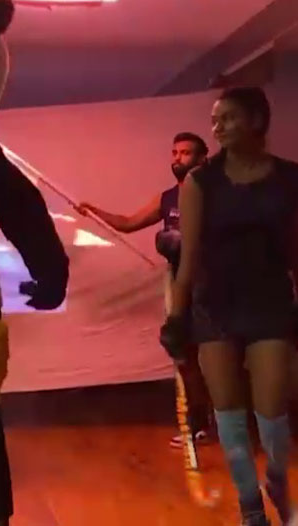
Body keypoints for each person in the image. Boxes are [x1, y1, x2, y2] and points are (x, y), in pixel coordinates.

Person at [161, 87, 298, 526]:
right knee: (228, 412)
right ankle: (251, 507)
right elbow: (189, 256)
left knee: (272, 409)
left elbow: (296, 243)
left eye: (228, 118)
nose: (218, 127)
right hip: (214, 305)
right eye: (215, 119)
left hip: (270, 300)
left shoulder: (292, 177)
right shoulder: (200, 182)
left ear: (257, 121)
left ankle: (277, 480)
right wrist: (176, 318)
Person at [75, 132, 214, 447]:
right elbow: (127, 222)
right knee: (184, 354)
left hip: (213, 284)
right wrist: (93, 211)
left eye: (186, 152)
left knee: (221, 355)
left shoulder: (215, 195)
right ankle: (199, 425)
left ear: (202, 158)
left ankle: (234, 424)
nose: (177, 158)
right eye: (174, 152)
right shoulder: (167, 198)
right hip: (180, 284)